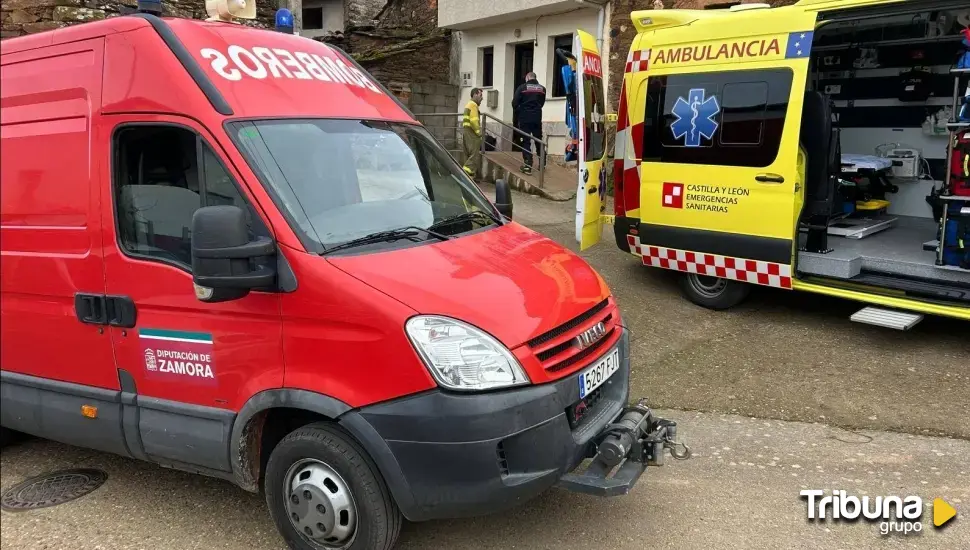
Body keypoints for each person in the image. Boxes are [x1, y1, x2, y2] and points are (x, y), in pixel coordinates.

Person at [511, 72, 547, 174]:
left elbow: (514, 103)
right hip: (537, 117)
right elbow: (542, 103)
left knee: (525, 140)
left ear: (527, 78)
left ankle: (528, 165)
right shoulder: (542, 89)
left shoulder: (522, 88)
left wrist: (519, 111)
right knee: (538, 140)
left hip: (524, 118)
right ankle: (542, 163)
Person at [462, 87, 484, 179]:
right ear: (475, 95)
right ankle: (464, 174)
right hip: (472, 133)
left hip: (467, 131)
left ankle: (471, 175)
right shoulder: (473, 105)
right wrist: (479, 133)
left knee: (468, 154)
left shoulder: (468, 104)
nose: (482, 98)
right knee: (474, 156)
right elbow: (474, 121)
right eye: (480, 95)